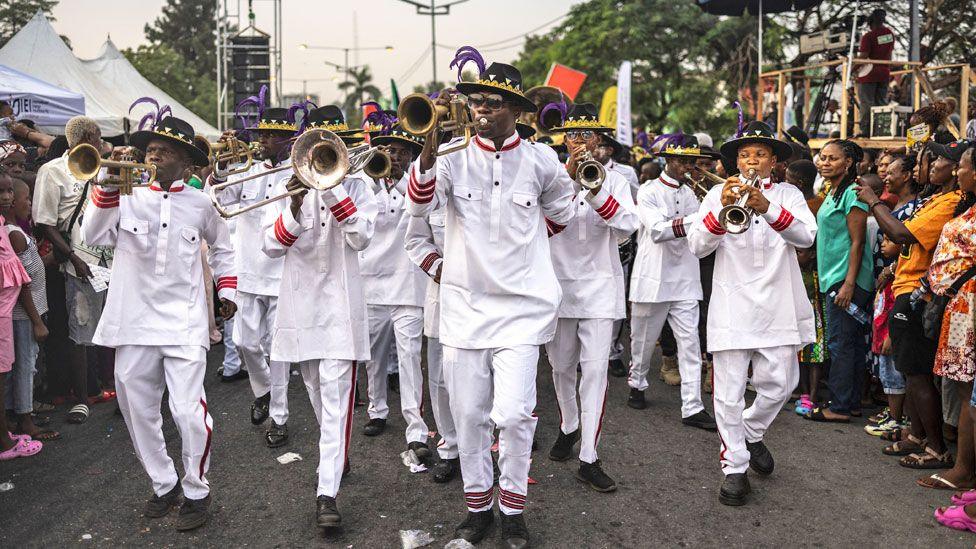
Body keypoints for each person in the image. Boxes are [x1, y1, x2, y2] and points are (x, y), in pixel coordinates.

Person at [406, 54, 578, 548]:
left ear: (516, 109)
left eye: (492, 100)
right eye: (476, 98)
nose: (481, 106)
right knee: (468, 414)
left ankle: (513, 505)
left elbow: (562, 212)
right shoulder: (452, 158)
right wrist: (427, 152)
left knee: (516, 414)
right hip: (464, 309)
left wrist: (524, 250)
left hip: (523, 309)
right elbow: (418, 206)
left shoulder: (543, 159)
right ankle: (478, 506)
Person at [81, 115, 236, 530]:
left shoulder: (201, 203)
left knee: (188, 412)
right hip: (133, 320)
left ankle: (197, 489)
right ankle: (164, 483)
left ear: (185, 161)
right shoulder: (126, 194)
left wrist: (227, 292)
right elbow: (93, 235)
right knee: (137, 409)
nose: (153, 154)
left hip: (184, 322)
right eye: (151, 148)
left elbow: (224, 249)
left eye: (164, 150)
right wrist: (108, 189)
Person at [688, 121, 817, 506]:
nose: (751, 161)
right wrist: (723, 210)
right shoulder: (716, 193)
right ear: (737, 161)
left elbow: (806, 237)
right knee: (727, 392)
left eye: (760, 154)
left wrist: (769, 208)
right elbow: (697, 246)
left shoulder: (790, 194)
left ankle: (750, 432)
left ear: (773, 161)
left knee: (782, 383)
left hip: (778, 303)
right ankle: (734, 467)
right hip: (731, 303)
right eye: (745, 155)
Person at [262, 107, 377, 529]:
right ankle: (337, 456)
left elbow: (362, 236)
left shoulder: (361, 187)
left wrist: (331, 190)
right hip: (300, 309)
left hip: (342, 311)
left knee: (337, 401)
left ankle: (326, 491)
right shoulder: (283, 184)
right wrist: (293, 204)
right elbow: (270, 247)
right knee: (315, 392)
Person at [855, 140, 967, 469]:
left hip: (919, 292)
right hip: (906, 286)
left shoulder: (950, 202)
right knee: (910, 372)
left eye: (937, 162)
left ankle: (936, 447)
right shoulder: (937, 199)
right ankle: (918, 435)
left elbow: (901, 234)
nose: (928, 168)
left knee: (917, 374)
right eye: (924, 162)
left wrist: (874, 201)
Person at [544, 104, 639, 491]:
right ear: (565, 139)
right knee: (562, 366)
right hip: (557, 286)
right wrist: (568, 182)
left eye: (587, 136)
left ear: (598, 140)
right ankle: (569, 424)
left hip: (601, 287)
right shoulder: (551, 175)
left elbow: (630, 226)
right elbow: (541, 226)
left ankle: (589, 455)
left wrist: (597, 191)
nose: (580, 142)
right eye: (573, 135)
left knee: (596, 371)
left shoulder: (615, 180)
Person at [211, 103, 305, 446]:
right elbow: (218, 196)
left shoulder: (299, 170)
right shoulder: (245, 169)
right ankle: (264, 390)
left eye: (270, 135)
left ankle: (279, 417)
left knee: (277, 348)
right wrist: (221, 168)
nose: (263, 140)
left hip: (282, 271)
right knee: (243, 342)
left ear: (286, 139)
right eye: (261, 134)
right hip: (248, 270)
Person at [625, 133, 717, 431]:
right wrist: (703, 216)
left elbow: (698, 235)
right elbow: (658, 231)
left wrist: (712, 219)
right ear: (669, 160)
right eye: (682, 161)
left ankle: (692, 406)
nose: (688, 167)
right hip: (653, 277)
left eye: (691, 161)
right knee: (641, 341)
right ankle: (637, 383)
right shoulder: (648, 190)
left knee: (690, 344)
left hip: (685, 278)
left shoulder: (691, 194)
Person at [358, 119, 431, 459]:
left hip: (408, 285)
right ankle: (377, 410)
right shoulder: (366, 183)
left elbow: (420, 206)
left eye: (401, 152)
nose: (393, 156)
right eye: (388, 150)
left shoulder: (416, 183)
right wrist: (376, 175)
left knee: (409, 359)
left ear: (412, 156)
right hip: (371, 282)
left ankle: (416, 428)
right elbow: (360, 216)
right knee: (373, 357)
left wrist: (400, 176)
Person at [32, 115, 108, 425]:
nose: (102, 141)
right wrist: (72, 258)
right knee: (80, 329)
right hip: (79, 260)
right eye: (99, 136)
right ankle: (81, 399)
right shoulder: (52, 171)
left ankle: (113, 389)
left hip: (110, 260)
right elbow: (45, 223)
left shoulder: (104, 167)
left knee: (114, 327)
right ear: (88, 135)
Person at [402, 125, 460, 483]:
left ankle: (485, 448)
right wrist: (438, 268)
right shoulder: (430, 169)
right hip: (444, 294)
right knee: (439, 378)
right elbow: (416, 239)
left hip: (487, 297)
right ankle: (450, 449)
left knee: (489, 378)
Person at [804, 140, 874, 423]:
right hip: (834, 276)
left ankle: (841, 407)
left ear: (847, 163)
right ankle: (851, 402)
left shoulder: (853, 193)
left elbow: (857, 243)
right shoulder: (833, 190)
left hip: (846, 279)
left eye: (832, 159)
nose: (824, 163)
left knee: (840, 343)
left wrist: (848, 283)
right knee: (851, 343)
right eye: (822, 157)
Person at [864, 154, 918, 437]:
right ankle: (895, 411)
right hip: (890, 287)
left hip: (904, 289)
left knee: (894, 356)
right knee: (884, 356)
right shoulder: (899, 205)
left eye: (892, 171)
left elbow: (906, 241)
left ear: (908, 175)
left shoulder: (914, 208)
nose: (886, 176)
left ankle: (902, 418)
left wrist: (894, 266)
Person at [4, 177, 55, 440]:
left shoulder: (18, 232)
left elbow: (33, 271)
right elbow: (23, 283)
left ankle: (17, 413)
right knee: (25, 365)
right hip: (24, 315)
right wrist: (37, 321)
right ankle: (25, 420)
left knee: (23, 364)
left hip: (27, 312)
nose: (30, 204)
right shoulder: (14, 235)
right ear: (13, 203)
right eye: (27, 199)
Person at [0, 174, 40, 461]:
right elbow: (16, 277)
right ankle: (4, 443)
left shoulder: (3, 226)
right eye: (0, 191)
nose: (6, 197)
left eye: (8, 191)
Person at [855, 8, 895, 136]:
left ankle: (865, 131)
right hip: (884, 71)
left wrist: (851, 69)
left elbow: (864, 56)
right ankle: (882, 131)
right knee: (881, 103)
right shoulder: (889, 34)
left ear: (870, 22)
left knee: (867, 103)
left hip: (869, 74)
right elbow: (888, 54)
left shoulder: (869, 36)